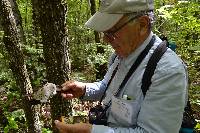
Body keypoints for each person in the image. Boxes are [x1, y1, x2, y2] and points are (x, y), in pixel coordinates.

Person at [55, 0, 188, 133]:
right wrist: (84, 89)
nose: (105, 40)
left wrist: (92, 131)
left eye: (111, 32)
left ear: (142, 24)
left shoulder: (167, 71)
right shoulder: (119, 55)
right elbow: (109, 88)